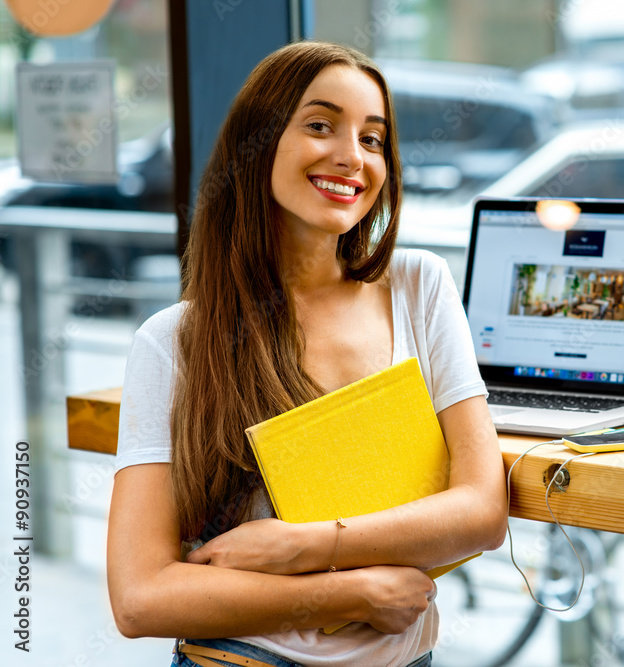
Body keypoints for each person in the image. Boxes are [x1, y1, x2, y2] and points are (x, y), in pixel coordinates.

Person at [107, 42, 508, 667]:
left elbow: (482, 512)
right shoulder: (173, 342)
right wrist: (348, 591)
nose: (353, 157)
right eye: (321, 126)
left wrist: (304, 547)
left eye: (373, 139)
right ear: (257, 143)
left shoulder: (420, 287)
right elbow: (140, 598)